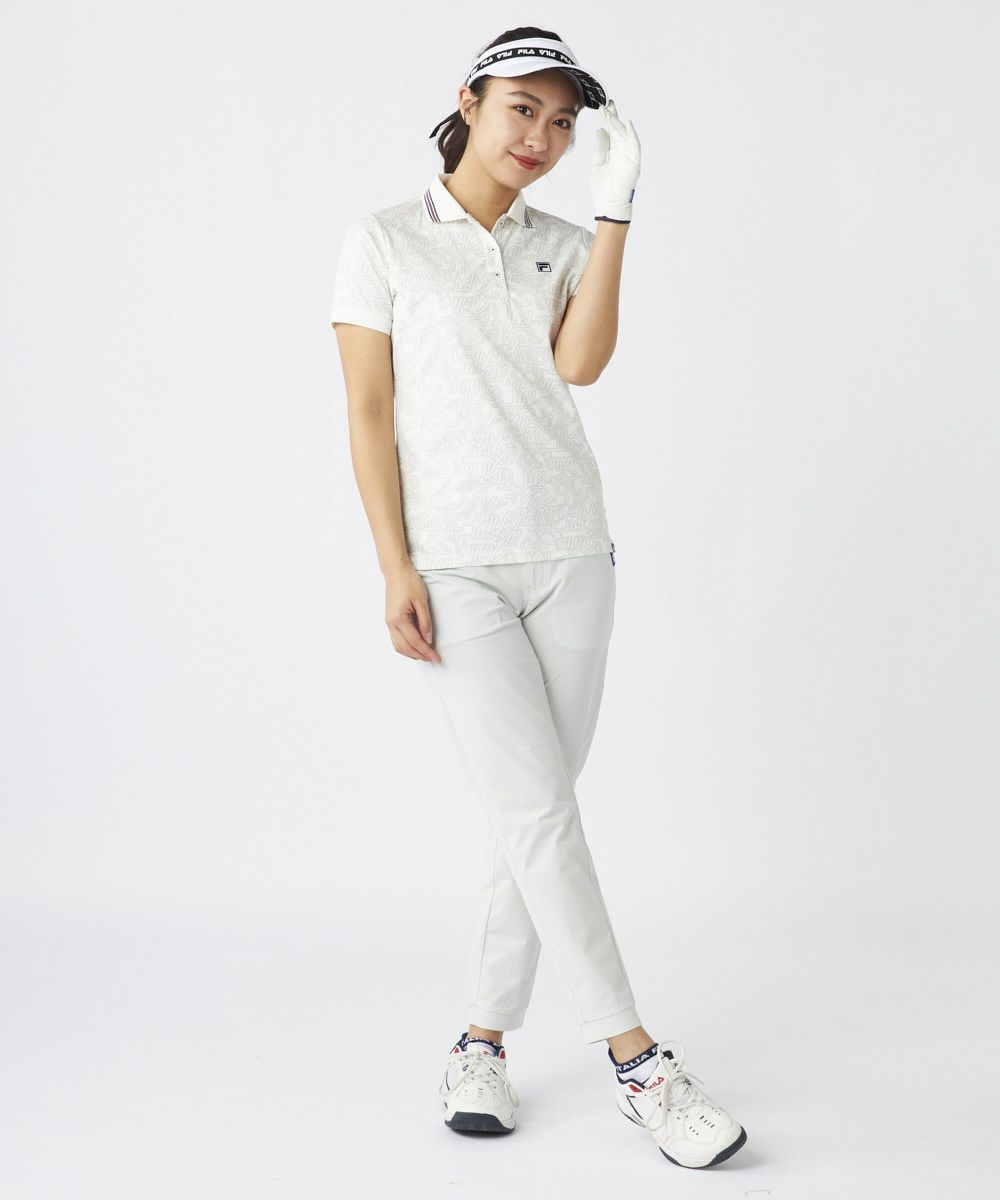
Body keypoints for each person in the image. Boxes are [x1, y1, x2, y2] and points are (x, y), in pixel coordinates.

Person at [329, 27, 747, 1170]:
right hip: (455, 567)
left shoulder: (564, 241)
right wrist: (395, 566)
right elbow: (368, 410)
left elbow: (581, 365)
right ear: (469, 100)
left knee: (532, 812)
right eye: (524, 109)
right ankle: (639, 1063)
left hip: (571, 556)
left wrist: (614, 214)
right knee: (541, 815)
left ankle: (479, 1042)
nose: (543, 137)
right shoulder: (382, 241)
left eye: (563, 123)